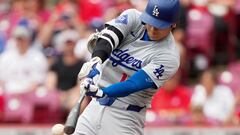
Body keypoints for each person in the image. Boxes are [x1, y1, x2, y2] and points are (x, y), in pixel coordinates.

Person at [74, 0, 180, 134]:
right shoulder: (133, 17)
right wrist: (96, 60)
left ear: (173, 24)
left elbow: (133, 84)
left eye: (159, 25)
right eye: (150, 22)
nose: (153, 29)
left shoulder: (169, 56)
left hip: (126, 117)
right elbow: (108, 38)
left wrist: (102, 93)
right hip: (95, 108)